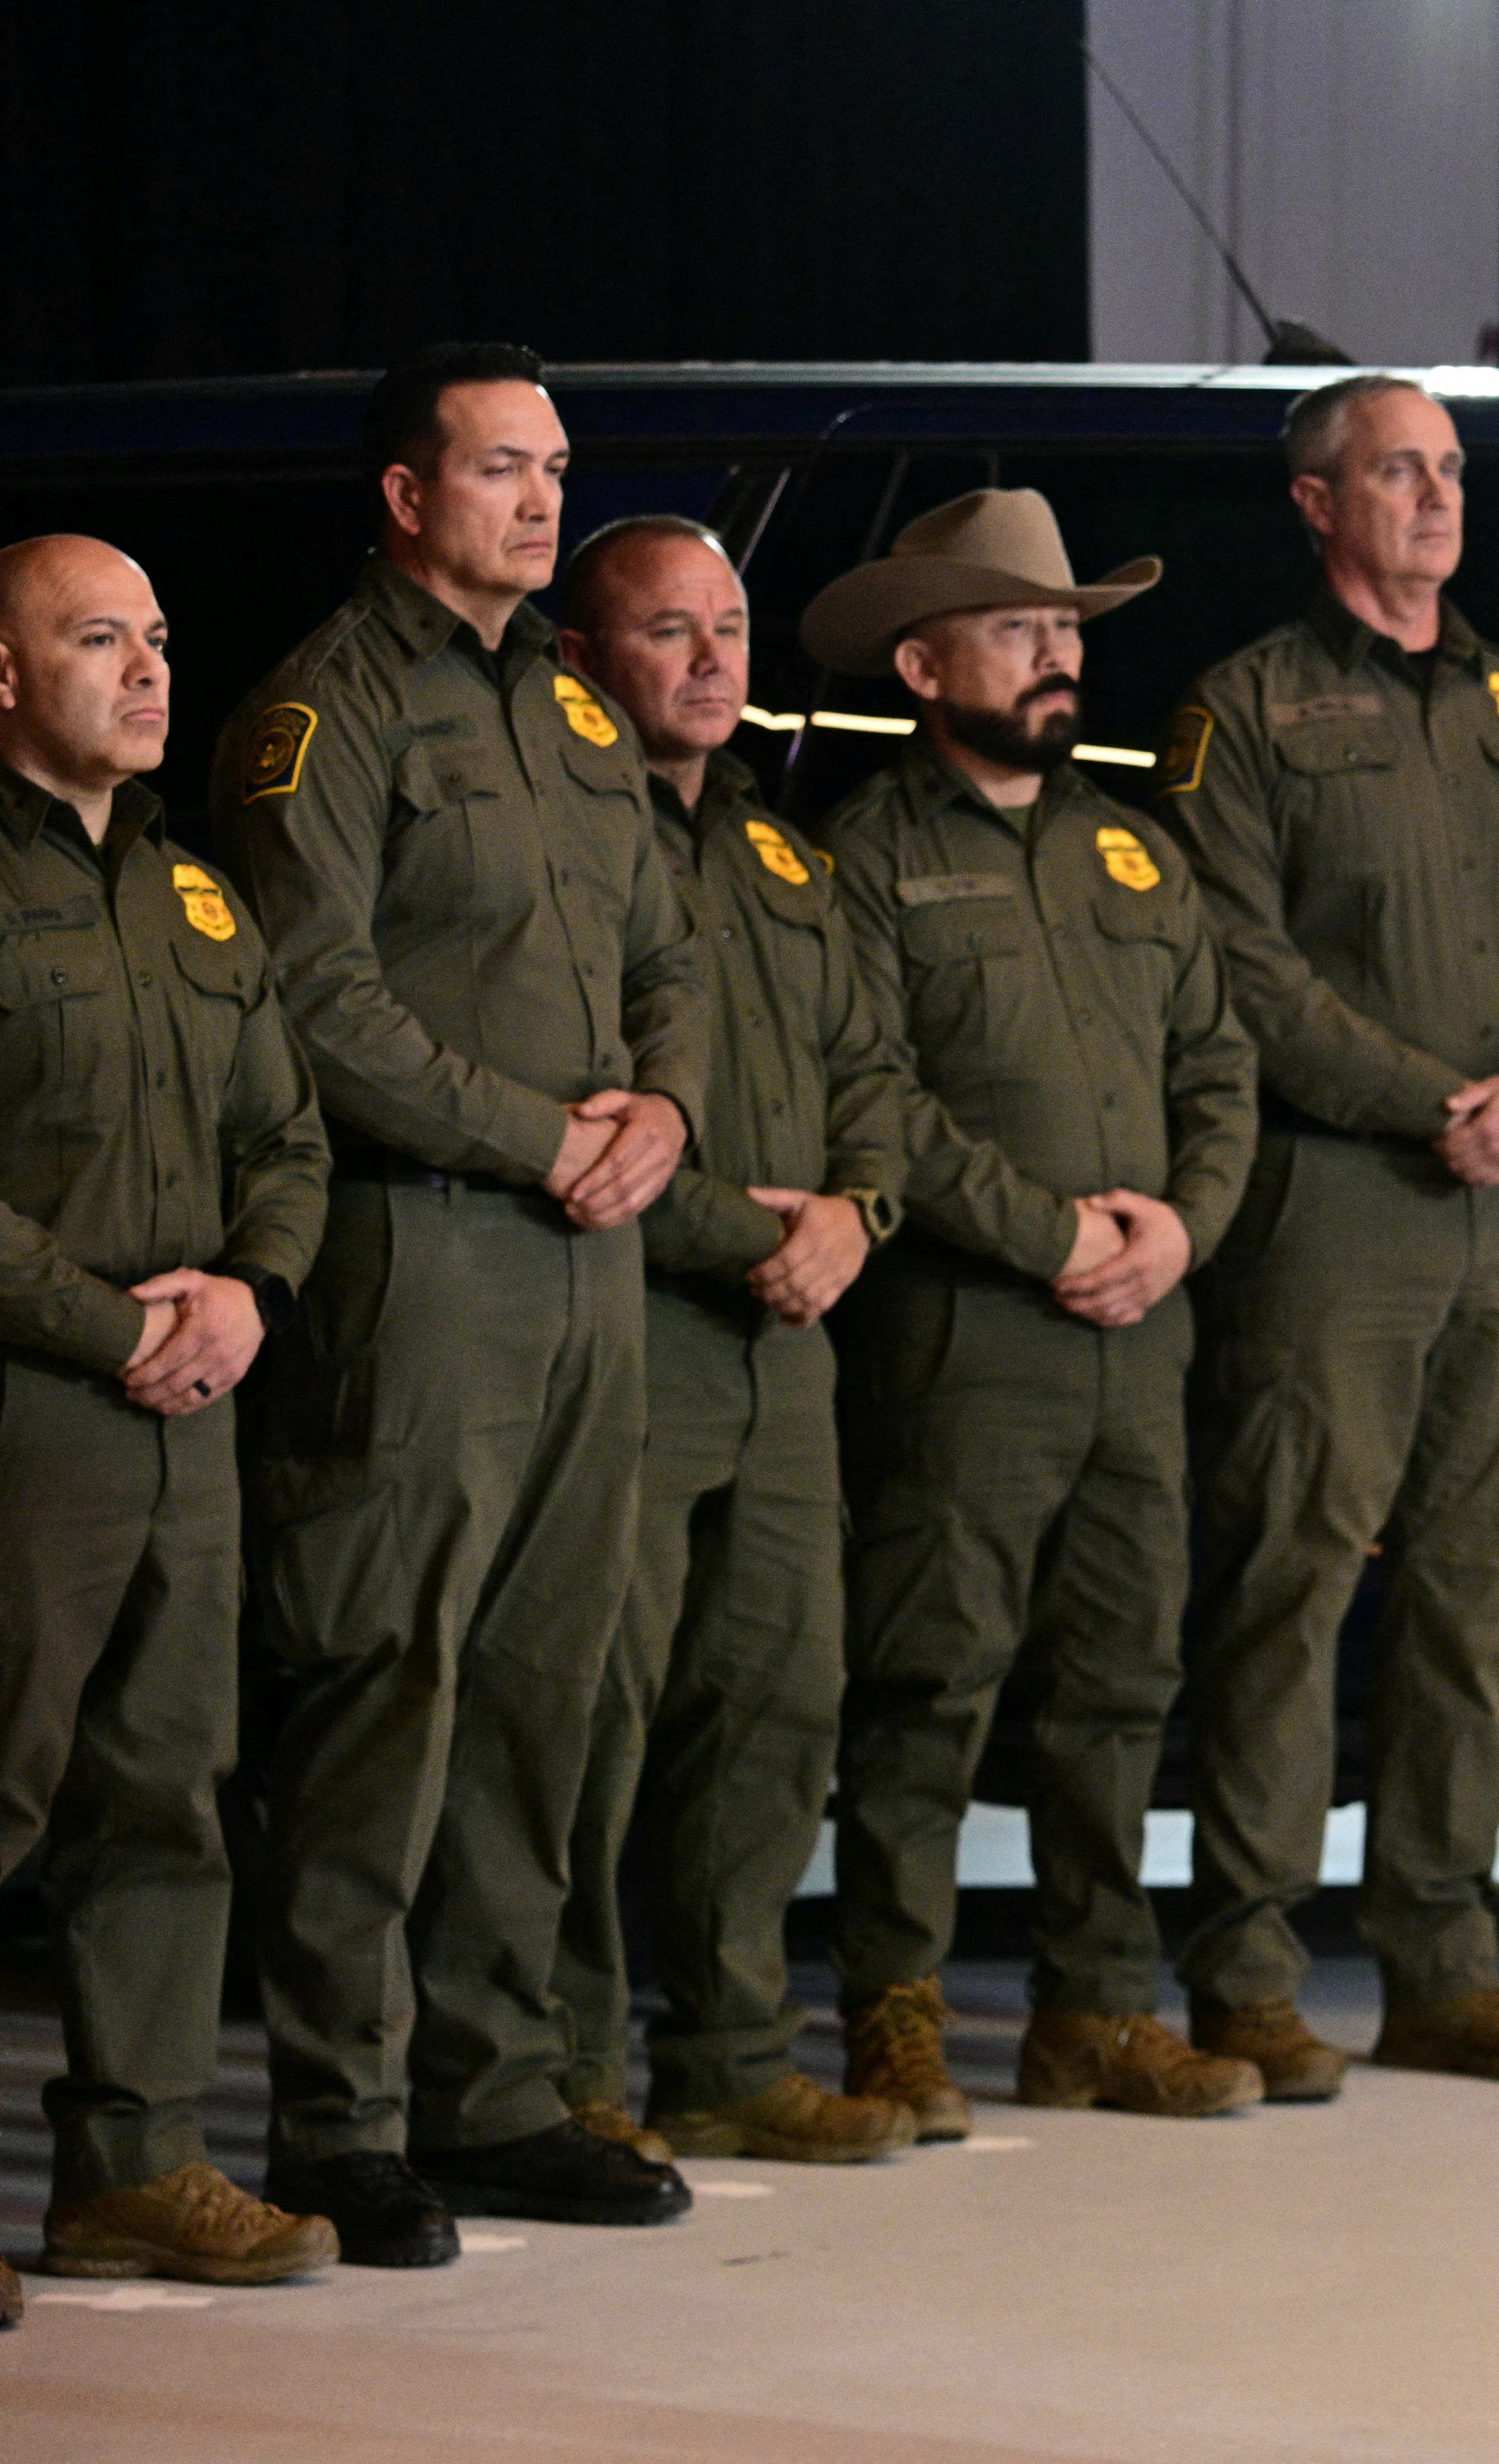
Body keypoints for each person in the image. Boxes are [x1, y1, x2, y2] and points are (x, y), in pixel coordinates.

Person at [218, 343, 708, 2263]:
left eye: (556, 466)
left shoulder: (576, 721)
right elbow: (310, 998)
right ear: (408, 497)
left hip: (588, 1265)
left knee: (537, 1695)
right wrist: (533, 1132)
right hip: (421, 1253)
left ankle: (495, 2096)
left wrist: (661, 1109)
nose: (540, 498)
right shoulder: (322, 716)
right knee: (383, 1689)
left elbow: (666, 949)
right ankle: (339, 2118)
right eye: (501, 467)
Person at [1151, 374, 1499, 2092]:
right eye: (1393, 471)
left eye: (1446, 471)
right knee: (1285, 1589)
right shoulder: (1247, 714)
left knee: (1472, 1602)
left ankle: (1442, 1967)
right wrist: (1435, 1096)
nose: (1433, 499)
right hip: (1335, 1213)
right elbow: (1237, 968)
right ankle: (1247, 1972)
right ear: (1316, 504)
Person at [806, 489, 1262, 2129]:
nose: (1060, 658)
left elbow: (1217, 1068)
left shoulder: (1136, 845)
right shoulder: (866, 854)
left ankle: (1093, 2009)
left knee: (1118, 1683)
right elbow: (871, 1092)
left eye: (1068, 630)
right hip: (967, 1342)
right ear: (925, 664)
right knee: (928, 1686)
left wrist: (1177, 1233)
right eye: (1022, 629)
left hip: (1138, 1339)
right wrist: (1046, 1235)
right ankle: (894, 2011)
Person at [547, 514, 924, 2164]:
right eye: (666, 632)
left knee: (775, 1703)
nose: (709, 662)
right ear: (585, 658)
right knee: (590, 1717)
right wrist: (750, 1232)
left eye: (731, 629)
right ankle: (558, 2069)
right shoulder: (563, 847)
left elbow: (878, 1076)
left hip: (789, 1345)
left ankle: (727, 2051)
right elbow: (578, 1107)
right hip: (632, 1327)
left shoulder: (785, 858)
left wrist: (858, 1212)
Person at [0, 536, 337, 2303]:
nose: (146, 671)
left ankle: (130, 2169)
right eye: (95, 639)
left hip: (181, 1410)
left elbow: (285, 1141)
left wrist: (248, 1295)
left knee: (163, 1797)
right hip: (30, 1408)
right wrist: (101, 1320)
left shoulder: (195, 893)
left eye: (157, 638)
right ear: (1, 677)